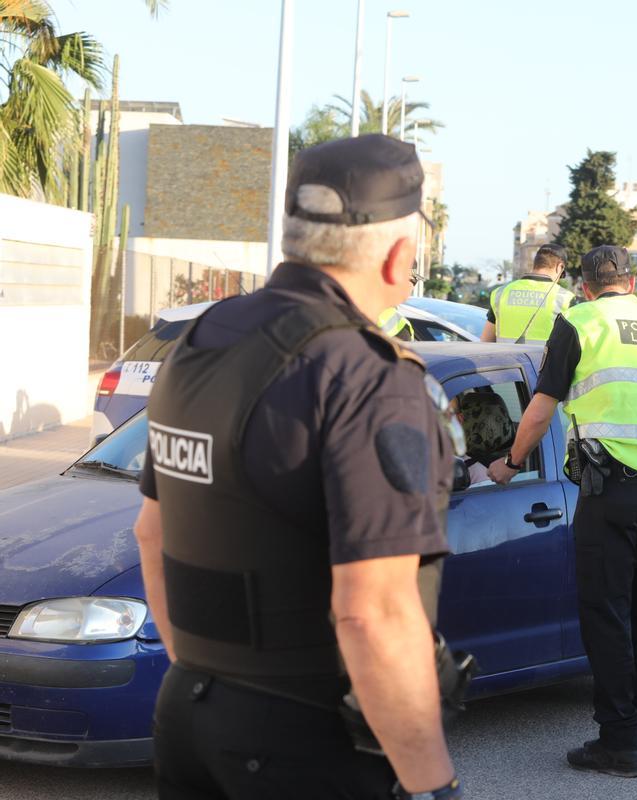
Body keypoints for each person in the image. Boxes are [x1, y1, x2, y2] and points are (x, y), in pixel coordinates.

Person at [132, 134, 463, 800]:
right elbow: (373, 612)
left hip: (188, 711)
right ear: (400, 258)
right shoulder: (365, 376)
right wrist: (434, 788)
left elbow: (151, 533)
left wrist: (211, 682)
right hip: (307, 743)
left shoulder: (202, 338)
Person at [486, 245, 637, 778]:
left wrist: (510, 464)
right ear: (632, 282)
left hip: (614, 488)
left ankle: (619, 742)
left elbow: (540, 411)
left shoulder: (579, 322)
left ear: (583, 286)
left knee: (606, 613)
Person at [481, 243, 574, 344]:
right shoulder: (565, 298)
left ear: (536, 264)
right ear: (559, 267)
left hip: (504, 360)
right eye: (562, 275)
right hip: (543, 360)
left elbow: (486, 341)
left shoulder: (501, 293)